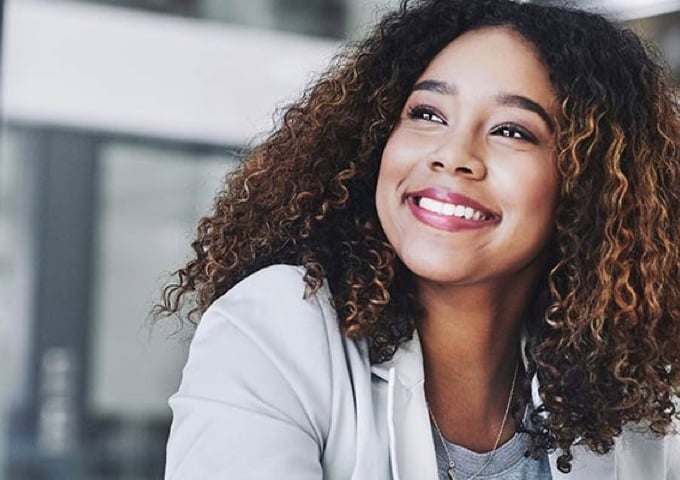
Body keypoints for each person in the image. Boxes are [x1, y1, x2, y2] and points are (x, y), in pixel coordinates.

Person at [156, 0, 680, 478]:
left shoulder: (623, 396)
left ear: (590, 185)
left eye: (511, 130)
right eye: (427, 114)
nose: (453, 155)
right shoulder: (278, 325)